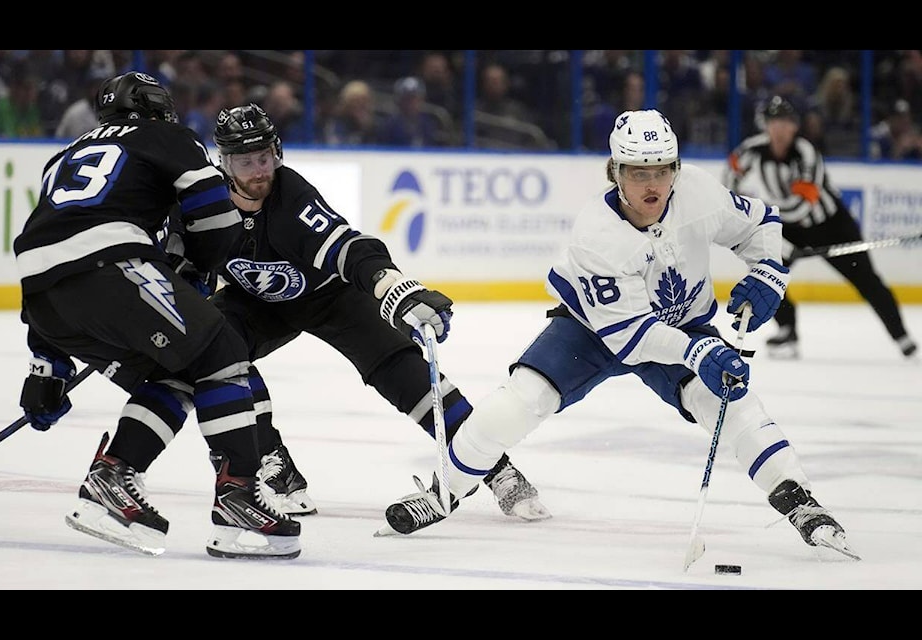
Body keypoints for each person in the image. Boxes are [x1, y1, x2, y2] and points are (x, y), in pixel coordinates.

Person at [378, 109, 858, 561]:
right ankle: (444, 492)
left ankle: (800, 500)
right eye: (638, 172)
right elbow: (631, 337)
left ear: (676, 167)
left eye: (662, 170)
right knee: (518, 402)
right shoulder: (597, 235)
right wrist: (700, 349)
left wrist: (769, 273)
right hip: (592, 329)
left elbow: (762, 224)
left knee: (730, 404)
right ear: (615, 171)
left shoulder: (698, 192)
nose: (653, 184)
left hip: (681, 325)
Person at [137, 103, 550, 522]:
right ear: (223, 162)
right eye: (245, 162)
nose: (259, 170)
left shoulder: (291, 198)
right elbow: (179, 263)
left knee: (407, 374)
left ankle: (497, 469)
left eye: (264, 157)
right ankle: (274, 468)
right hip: (253, 304)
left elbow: (348, 248)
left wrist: (395, 289)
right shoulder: (202, 203)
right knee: (214, 349)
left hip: (329, 298)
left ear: (277, 152)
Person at [12, 71, 300, 559]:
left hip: (43, 300)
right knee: (222, 348)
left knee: (178, 370)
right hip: (111, 272)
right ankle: (238, 495)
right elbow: (215, 216)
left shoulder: (62, 157)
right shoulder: (167, 136)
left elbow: (52, 250)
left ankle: (114, 474)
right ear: (156, 109)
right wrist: (201, 272)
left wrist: (47, 367)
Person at [724, 95, 917, 359]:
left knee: (867, 280)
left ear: (794, 126)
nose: (779, 129)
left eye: (785, 122)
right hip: (788, 226)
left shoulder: (806, 153)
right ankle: (788, 330)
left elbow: (804, 205)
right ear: (766, 126)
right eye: (773, 122)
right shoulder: (752, 149)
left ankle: (901, 335)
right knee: (763, 271)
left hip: (831, 226)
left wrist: (772, 226)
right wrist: (745, 213)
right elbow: (731, 176)